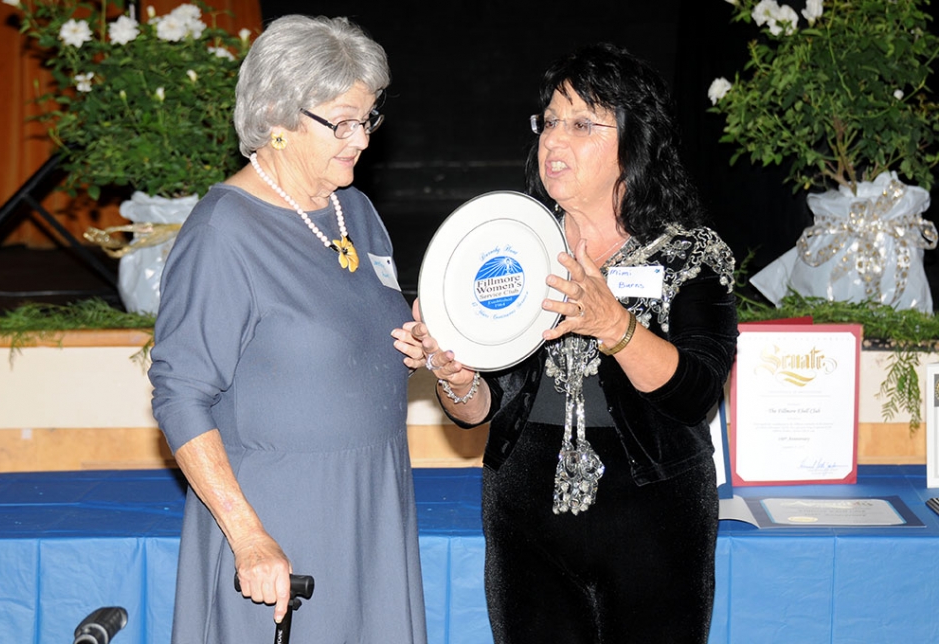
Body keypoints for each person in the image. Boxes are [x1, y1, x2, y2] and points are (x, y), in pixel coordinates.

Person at [392, 43, 738, 643]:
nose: (555, 139)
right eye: (549, 122)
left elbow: (698, 394)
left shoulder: (689, 254)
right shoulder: (511, 247)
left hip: (655, 521)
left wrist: (615, 326)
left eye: (581, 124)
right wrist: (454, 376)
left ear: (636, 140)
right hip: (525, 521)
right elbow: (481, 410)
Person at [148, 15, 427, 644]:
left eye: (368, 119)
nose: (361, 138)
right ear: (277, 116)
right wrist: (248, 537)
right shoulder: (223, 231)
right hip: (282, 525)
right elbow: (178, 393)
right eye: (343, 121)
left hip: (372, 509)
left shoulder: (352, 208)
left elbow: (357, 332)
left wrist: (415, 344)